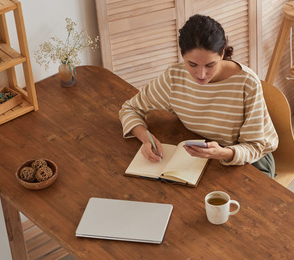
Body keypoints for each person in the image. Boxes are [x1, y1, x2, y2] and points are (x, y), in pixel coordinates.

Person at [119, 14, 278, 177]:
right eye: (192, 64)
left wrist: (222, 153)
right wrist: (147, 139)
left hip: (248, 161)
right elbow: (130, 109)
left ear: (222, 53)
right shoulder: (174, 78)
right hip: (199, 157)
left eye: (210, 65)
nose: (201, 74)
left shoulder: (247, 84)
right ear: (182, 55)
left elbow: (255, 146)